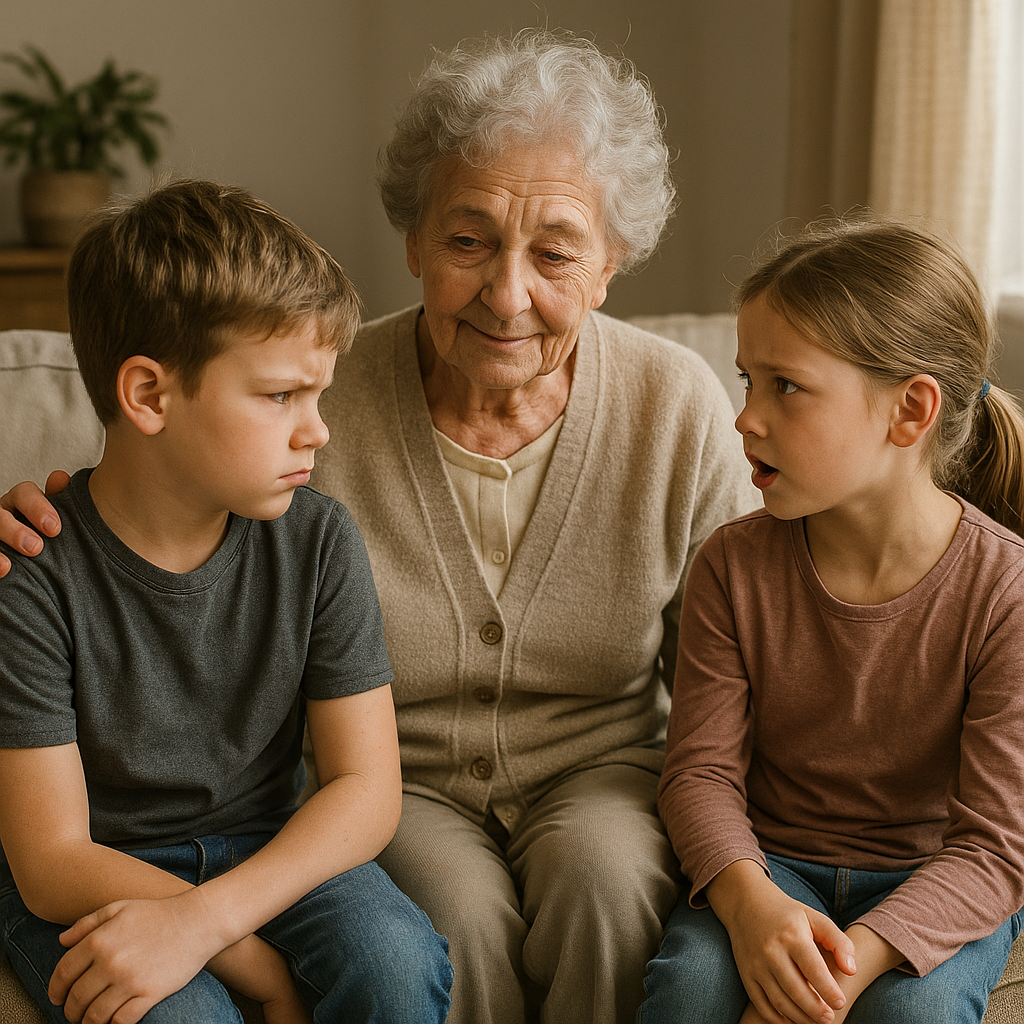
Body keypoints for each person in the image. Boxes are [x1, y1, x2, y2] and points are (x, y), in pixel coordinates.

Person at [0, 30, 753, 1024]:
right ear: (414, 240)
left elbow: (744, 661)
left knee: (608, 887)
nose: (507, 293)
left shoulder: (675, 406)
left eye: (556, 252)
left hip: (602, 772)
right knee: (451, 920)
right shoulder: (313, 387)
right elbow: (149, 491)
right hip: (406, 786)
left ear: (610, 264)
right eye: (467, 240)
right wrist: (34, 518)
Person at [0, 179, 452, 1024]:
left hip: (268, 851)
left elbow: (366, 788)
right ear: (148, 395)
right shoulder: (30, 576)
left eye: (318, 394)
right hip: (103, 870)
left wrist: (209, 919)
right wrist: (256, 967)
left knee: (395, 965)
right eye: (281, 395)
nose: (317, 429)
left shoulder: (319, 542)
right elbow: (52, 861)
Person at [639, 219, 1024, 1024]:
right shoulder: (730, 566)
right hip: (771, 865)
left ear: (910, 411)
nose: (745, 417)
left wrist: (837, 980)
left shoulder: (1006, 592)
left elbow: (995, 847)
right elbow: (700, 775)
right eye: (747, 381)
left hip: (933, 878)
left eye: (784, 386)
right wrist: (751, 906)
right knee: (691, 989)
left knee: (912, 1015)